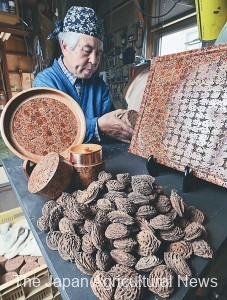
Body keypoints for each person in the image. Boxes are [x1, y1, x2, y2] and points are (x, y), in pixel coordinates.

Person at [33, 6, 133, 144]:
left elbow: (112, 127)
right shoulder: (45, 83)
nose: (94, 60)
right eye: (87, 50)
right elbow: (52, 134)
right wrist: (97, 126)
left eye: (98, 53)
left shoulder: (99, 86)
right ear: (65, 46)